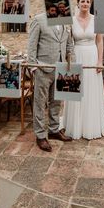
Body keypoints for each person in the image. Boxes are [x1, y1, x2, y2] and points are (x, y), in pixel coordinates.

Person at [62, 0, 104, 139]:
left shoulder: (97, 19)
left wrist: (100, 61)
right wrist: (68, 61)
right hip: (76, 56)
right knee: (75, 88)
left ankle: (91, 124)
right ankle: (74, 124)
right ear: (78, 3)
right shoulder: (71, 20)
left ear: (90, 4)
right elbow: (67, 42)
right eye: (83, 1)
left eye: (88, 2)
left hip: (92, 56)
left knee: (90, 89)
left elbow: (100, 42)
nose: (85, 4)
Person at [28, 10, 74, 152]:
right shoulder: (38, 19)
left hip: (60, 69)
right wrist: (33, 68)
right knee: (40, 103)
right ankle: (40, 135)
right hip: (43, 68)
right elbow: (31, 45)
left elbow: (69, 45)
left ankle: (53, 130)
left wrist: (72, 65)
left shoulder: (66, 21)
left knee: (56, 101)